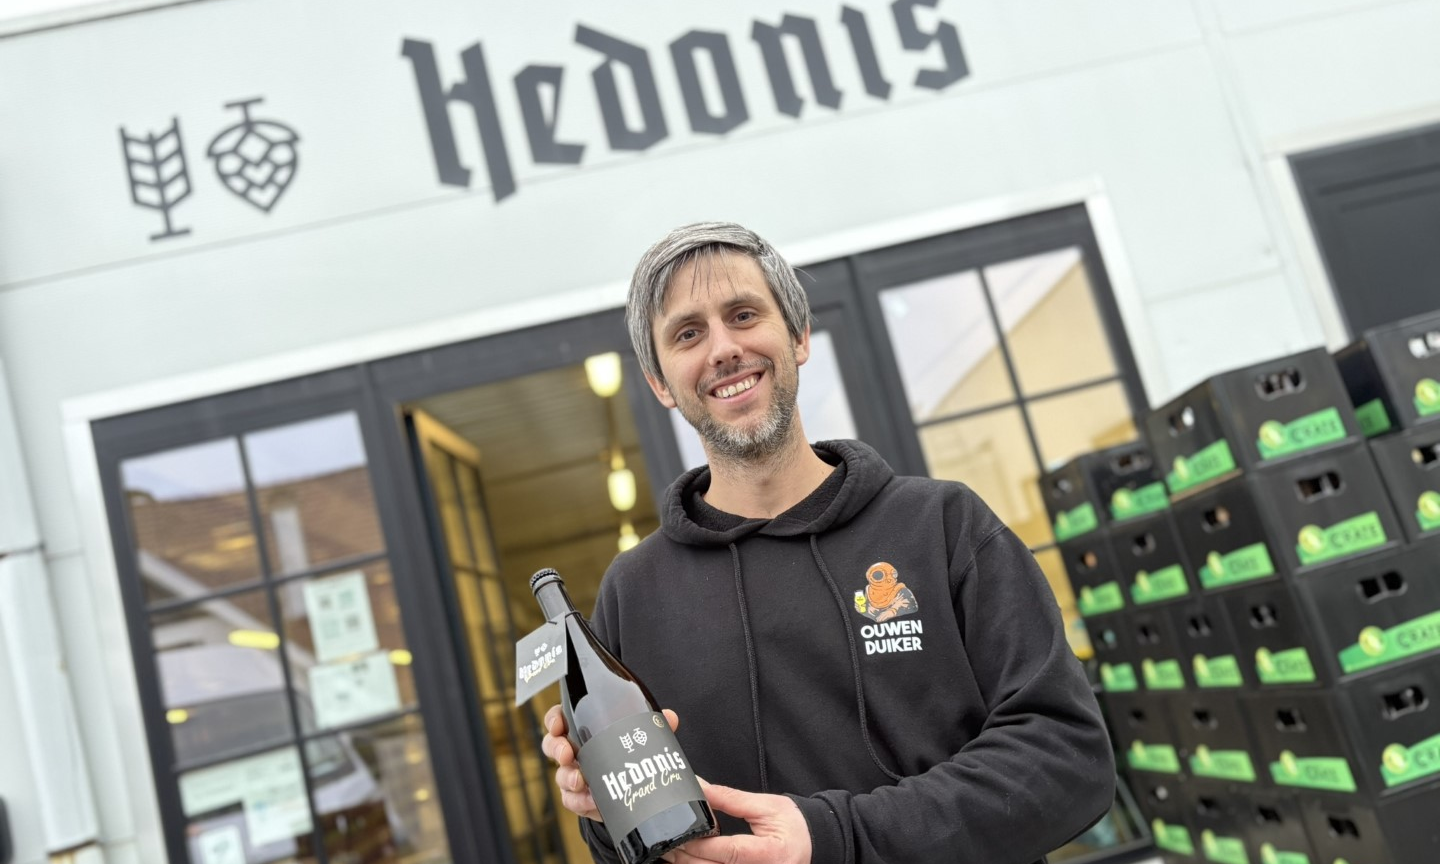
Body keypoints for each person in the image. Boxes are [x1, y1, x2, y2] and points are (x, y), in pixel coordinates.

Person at [540, 222, 1115, 864]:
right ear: (661, 384)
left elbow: (1066, 758)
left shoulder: (944, 526)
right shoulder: (633, 593)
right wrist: (602, 808)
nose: (723, 348)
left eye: (744, 314)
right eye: (687, 333)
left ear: (799, 335)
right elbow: (642, 842)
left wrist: (839, 838)